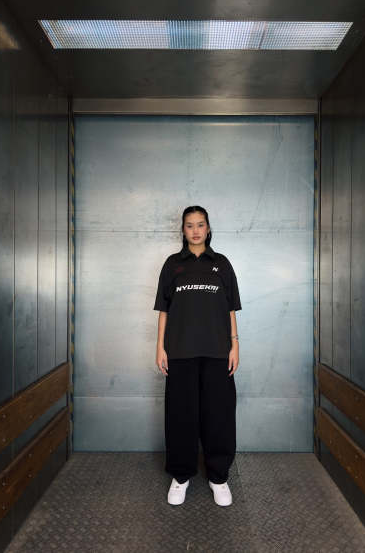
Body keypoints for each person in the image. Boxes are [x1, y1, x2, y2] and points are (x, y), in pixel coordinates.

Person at [153, 205, 242, 507]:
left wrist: (235, 344)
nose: (195, 230)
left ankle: (219, 477)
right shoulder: (172, 265)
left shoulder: (222, 264)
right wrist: (160, 346)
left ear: (208, 228)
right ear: (183, 230)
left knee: (219, 415)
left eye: (200, 224)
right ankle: (181, 476)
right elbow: (164, 310)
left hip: (218, 351)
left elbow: (230, 309)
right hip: (180, 351)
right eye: (189, 225)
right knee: (181, 415)